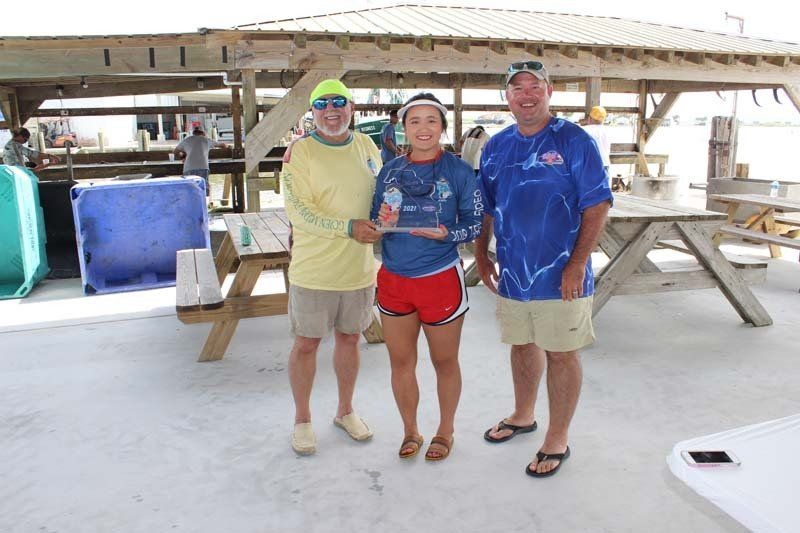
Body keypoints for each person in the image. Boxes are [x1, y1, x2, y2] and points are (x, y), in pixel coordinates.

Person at [475, 61, 612, 478]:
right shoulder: (496, 146)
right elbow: (485, 207)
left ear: (549, 91)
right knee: (521, 345)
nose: (526, 94)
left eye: (535, 86)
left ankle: (557, 436)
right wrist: (481, 255)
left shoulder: (574, 140)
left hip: (561, 275)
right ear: (507, 97)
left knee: (561, 353)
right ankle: (522, 414)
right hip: (514, 274)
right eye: (517, 88)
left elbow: (598, 204)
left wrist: (577, 264)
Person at [372, 93, 483, 461]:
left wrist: (446, 234)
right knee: (400, 361)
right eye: (414, 121)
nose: (423, 128)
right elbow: (379, 216)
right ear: (403, 128)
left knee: (444, 361)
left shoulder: (460, 172)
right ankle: (410, 430)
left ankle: (445, 430)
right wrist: (381, 224)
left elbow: (476, 224)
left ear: (442, 128)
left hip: (439, 279)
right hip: (394, 279)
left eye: (431, 121)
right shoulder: (389, 170)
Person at [281, 79, 384, 456]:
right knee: (306, 344)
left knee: (349, 339)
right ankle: (302, 419)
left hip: (358, 270)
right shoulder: (300, 153)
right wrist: (348, 228)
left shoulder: (367, 145)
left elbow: (381, 192)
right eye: (322, 104)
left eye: (339, 102)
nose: (331, 110)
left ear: (352, 108)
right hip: (314, 271)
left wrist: (386, 215)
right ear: (313, 112)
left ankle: (345, 411)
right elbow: (300, 214)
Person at [173, 127, 226, 195]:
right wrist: (227, 147)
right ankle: (204, 203)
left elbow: (175, 151)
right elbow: (222, 145)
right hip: (203, 167)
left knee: (189, 189)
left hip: (189, 168)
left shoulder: (187, 140)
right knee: (203, 189)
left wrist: (183, 157)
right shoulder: (206, 140)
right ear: (203, 133)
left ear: (193, 133)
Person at [581, 105, 611, 175]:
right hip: (604, 164)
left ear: (589, 118)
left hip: (589, 166)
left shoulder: (584, 130)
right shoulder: (607, 130)